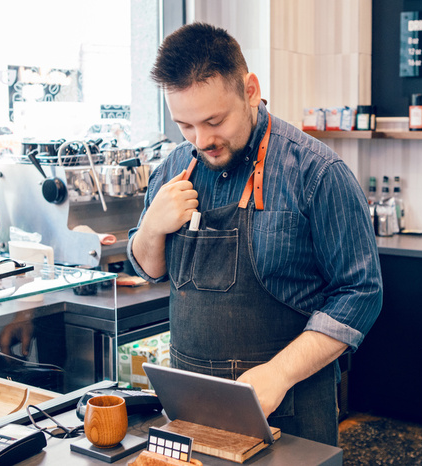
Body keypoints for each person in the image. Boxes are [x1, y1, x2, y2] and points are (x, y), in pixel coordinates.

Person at [128, 22, 382, 446]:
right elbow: (150, 267)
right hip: (188, 413)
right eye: (185, 125)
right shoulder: (172, 168)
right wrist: (152, 226)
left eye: (214, 120)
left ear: (250, 90)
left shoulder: (317, 173)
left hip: (290, 414)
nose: (202, 140)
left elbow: (361, 293)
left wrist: (278, 374)